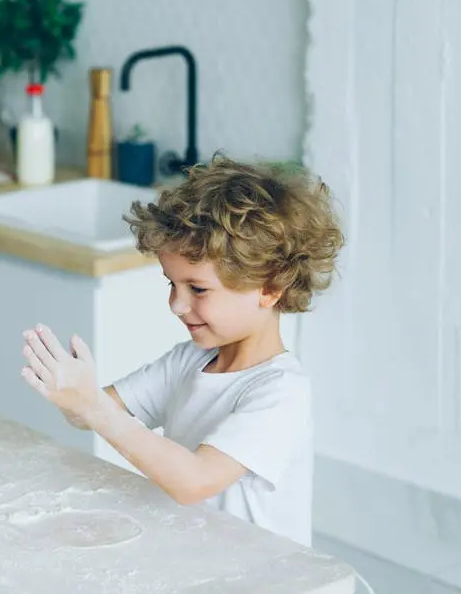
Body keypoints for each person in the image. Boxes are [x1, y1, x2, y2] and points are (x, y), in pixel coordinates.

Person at [20, 156, 344, 546]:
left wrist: (92, 407)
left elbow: (195, 482)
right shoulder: (189, 361)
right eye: (171, 283)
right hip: (202, 561)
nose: (176, 304)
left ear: (270, 287)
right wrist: (73, 394)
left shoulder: (280, 392)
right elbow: (92, 414)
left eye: (198, 289)